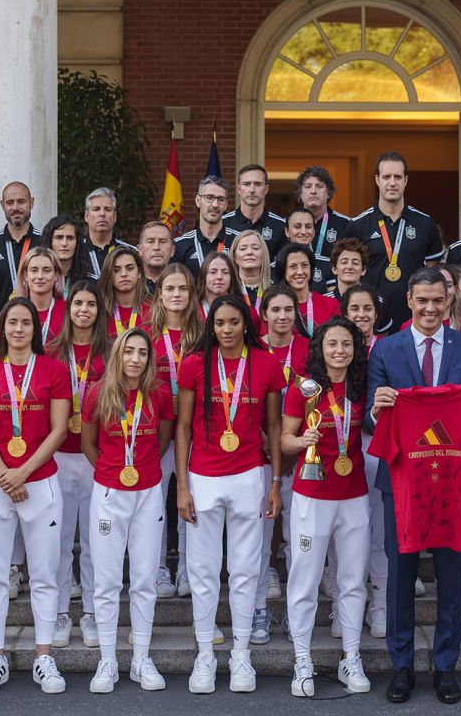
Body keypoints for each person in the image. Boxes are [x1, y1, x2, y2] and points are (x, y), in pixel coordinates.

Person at [366, 267, 461, 705]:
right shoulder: (386, 349)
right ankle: (401, 667)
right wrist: (379, 407)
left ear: (450, 300)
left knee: (451, 578)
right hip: (401, 479)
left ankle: (445, 666)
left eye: (438, 300)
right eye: (422, 300)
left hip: (453, 482)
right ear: (409, 301)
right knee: (399, 577)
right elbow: (369, 414)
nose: (430, 309)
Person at [175, 295, 284, 694]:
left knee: (244, 570)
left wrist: (275, 482)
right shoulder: (193, 364)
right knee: (202, 571)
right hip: (203, 477)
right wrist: (183, 486)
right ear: (211, 325)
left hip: (249, 478)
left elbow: (273, 428)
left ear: (246, 324)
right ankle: (205, 652)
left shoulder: (267, 364)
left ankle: (241, 654)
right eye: (219, 322)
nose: (226, 329)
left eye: (234, 322)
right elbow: (182, 428)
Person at [0, 297, 72, 695]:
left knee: (45, 575)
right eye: (12, 322)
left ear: (35, 329)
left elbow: (59, 429)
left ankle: (43, 655)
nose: (18, 329)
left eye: (26, 323)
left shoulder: (54, 370)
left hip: (40, 482)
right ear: (2, 327)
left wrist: (23, 472)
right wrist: (4, 475)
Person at [281, 316, 373, 697]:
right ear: (319, 348)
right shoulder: (305, 388)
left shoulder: (362, 384)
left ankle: (350, 657)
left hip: (354, 495)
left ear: (355, 349)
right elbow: (284, 440)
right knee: (304, 580)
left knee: (352, 581)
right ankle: (301, 660)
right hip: (312, 494)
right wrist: (303, 441)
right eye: (332, 344)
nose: (340, 351)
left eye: (347, 344)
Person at [81, 327, 174, 693]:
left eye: (142, 353)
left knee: (144, 579)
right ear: (118, 354)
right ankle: (107, 659)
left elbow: (163, 439)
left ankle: (140, 658)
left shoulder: (160, 395)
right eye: (129, 351)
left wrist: (141, 468)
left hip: (148, 491)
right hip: (108, 493)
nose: (135, 359)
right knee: (106, 581)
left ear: (150, 359)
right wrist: (110, 472)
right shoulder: (96, 394)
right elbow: (89, 443)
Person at [47, 280, 109, 651]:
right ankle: (57, 612)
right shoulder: (53, 350)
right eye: (77, 304)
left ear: (99, 310)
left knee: (92, 541)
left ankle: (90, 612)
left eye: (90, 304)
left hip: (95, 455)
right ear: (68, 309)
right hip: (57, 454)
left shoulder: (110, 350)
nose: (83, 310)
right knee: (57, 540)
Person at [253, 283, 309, 638]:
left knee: (298, 538)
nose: (283, 316)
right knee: (259, 539)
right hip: (258, 452)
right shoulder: (252, 349)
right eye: (275, 310)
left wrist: (292, 445)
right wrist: (270, 443)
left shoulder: (310, 349)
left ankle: (295, 613)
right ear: (264, 315)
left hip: (303, 454)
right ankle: (258, 609)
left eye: (289, 310)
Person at [147, 264, 205, 598]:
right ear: (160, 294)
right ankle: (158, 569)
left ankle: (185, 567)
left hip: (193, 430)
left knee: (189, 499)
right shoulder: (147, 334)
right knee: (155, 503)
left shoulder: (202, 334)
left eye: (183, 289)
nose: (177, 295)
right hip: (155, 431)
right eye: (170, 289)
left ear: (192, 293)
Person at [338, 283, 389, 637]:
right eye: (354, 309)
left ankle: (381, 605)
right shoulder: (336, 348)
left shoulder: (388, 350)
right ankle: (345, 606)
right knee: (348, 534)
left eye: (367, 308)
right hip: (343, 451)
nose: (361, 315)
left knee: (381, 534)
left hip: (380, 448)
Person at [350, 152, 443, 333]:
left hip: (416, 322)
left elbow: (433, 274)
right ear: (377, 180)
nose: (392, 183)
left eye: (397, 177)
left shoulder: (425, 224)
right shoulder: (358, 226)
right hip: (371, 324)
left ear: (405, 180)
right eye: (386, 177)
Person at [0, 181, 43, 322]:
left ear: (31, 203)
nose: (15, 208)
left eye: (21, 202)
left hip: (39, 325)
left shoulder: (45, 242)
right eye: (10, 202)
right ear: (2, 205)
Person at [294, 165, 354, 292]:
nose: (313, 191)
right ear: (300, 194)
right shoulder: (290, 225)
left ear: (328, 193)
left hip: (333, 295)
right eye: (308, 186)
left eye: (319, 186)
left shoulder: (346, 225)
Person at [173, 176, 235, 275]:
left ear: (226, 205)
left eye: (221, 199)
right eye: (209, 197)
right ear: (198, 201)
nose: (215, 204)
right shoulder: (180, 245)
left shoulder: (237, 242)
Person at [224, 164, 288, 258]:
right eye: (246, 184)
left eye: (258, 184)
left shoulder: (281, 226)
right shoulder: (223, 223)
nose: (252, 190)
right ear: (238, 189)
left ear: (266, 189)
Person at [275, 243, 339, 337]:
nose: (300, 272)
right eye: (293, 266)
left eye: (305, 265)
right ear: (283, 271)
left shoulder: (331, 305)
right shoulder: (275, 307)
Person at [17, 247, 66, 342]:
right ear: (25, 275)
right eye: (34, 270)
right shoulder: (13, 312)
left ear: (56, 275)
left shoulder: (69, 310)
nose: (40, 276)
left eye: (46, 270)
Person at [99, 246, 151, 335]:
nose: (123, 274)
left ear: (139, 273)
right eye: (116, 270)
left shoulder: (155, 308)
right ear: (109, 275)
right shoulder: (99, 310)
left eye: (129, 268)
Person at [45, 215, 99, 292]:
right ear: (50, 241)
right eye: (59, 237)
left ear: (77, 242)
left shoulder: (91, 282)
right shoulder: (39, 280)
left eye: (70, 238)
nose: (64, 243)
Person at [82, 187, 134, 268]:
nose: (102, 213)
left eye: (107, 209)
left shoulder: (130, 252)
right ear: (86, 216)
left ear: (115, 216)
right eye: (96, 209)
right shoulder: (75, 250)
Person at [196, 251, 248, 320]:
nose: (219, 277)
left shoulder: (246, 311)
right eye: (213, 272)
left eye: (225, 272)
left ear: (231, 278)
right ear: (203, 277)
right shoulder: (191, 311)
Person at [231, 229, 273, 310]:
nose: (249, 252)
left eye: (255, 248)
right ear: (234, 257)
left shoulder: (274, 290)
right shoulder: (228, 290)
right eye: (243, 249)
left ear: (264, 255)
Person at [138, 220, 176, 290]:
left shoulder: (182, 284)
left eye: (162, 241)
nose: (156, 247)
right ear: (140, 250)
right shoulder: (130, 283)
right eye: (150, 241)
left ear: (172, 251)